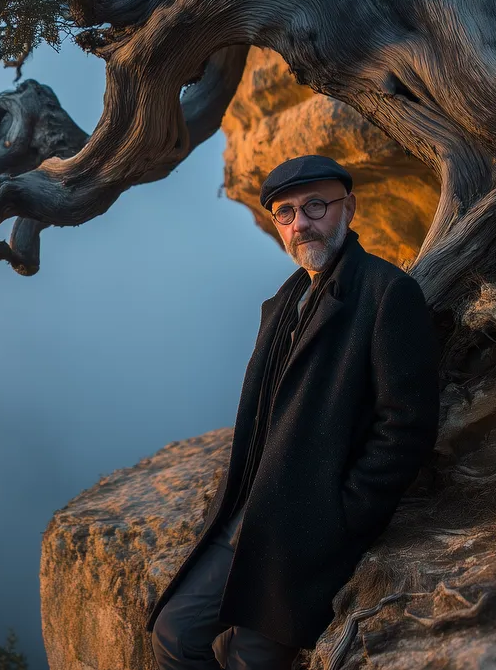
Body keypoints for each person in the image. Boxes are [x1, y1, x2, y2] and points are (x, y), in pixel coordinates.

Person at [145, 154, 441, 670]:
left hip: (306, 533)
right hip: (248, 517)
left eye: (315, 206)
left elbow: (407, 426)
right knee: (174, 633)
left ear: (347, 208)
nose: (301, 223)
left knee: (247, 660)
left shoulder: (388, 293)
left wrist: (342, 514)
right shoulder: (284, 303)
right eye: (286, 213)